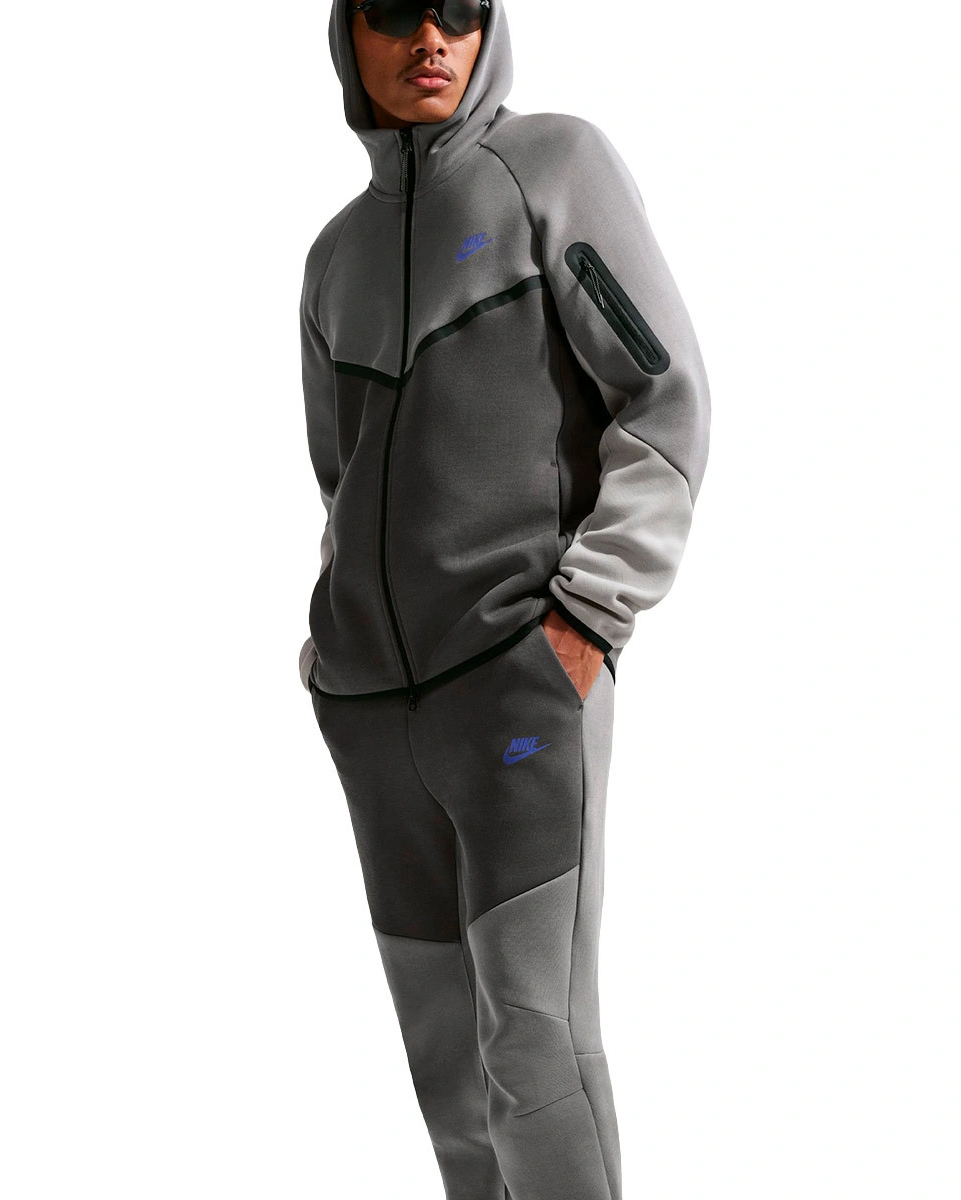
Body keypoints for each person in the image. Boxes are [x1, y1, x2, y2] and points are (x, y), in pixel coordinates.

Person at [299, 1, 711, 1197]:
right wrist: (332, 657)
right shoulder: (333, 258)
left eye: (462, 10)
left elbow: (664, 402)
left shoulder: (552, 165)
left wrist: (589, 618)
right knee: (447, 1066)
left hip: (516, 690)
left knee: (535, 1050)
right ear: (347, 36)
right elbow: (341, 478)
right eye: (395, 11)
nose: (431, 38)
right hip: (373, 712)